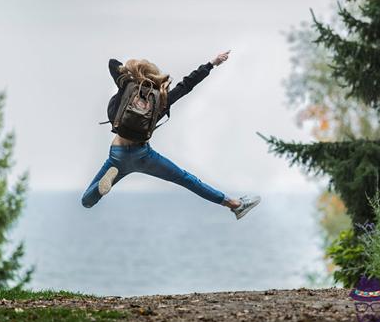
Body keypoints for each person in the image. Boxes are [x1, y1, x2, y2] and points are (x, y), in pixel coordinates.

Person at [81, 50, 261, 220]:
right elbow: (187, 85)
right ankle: (235, 205)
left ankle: (100, 189)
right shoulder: (161, 99)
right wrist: (212, 63)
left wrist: (131, 73)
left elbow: (113, 63)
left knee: (87, 201)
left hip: (117, 155)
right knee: (187, 179)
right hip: (143, 156)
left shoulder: (127, 86)